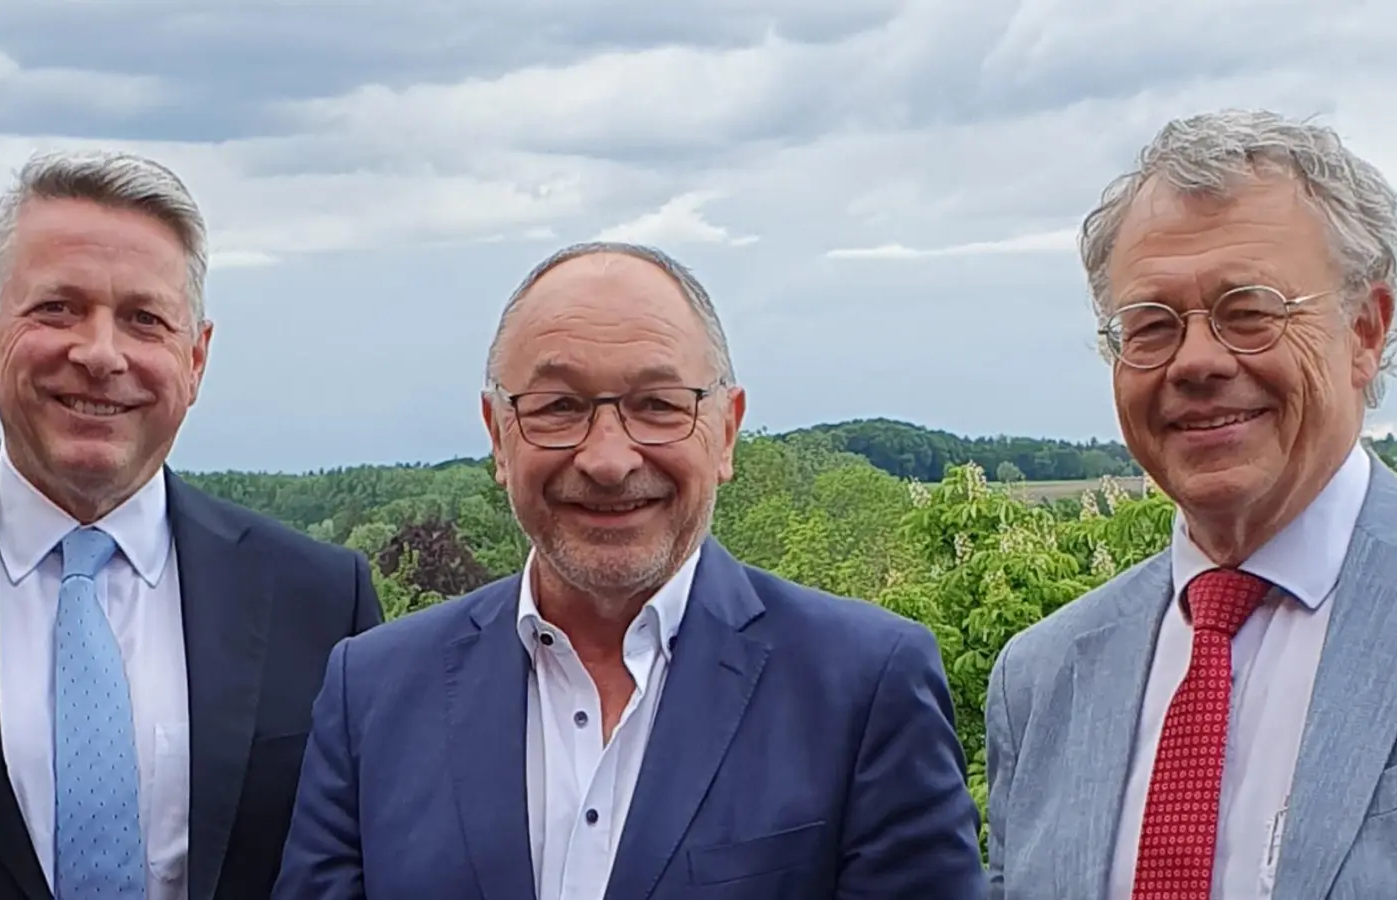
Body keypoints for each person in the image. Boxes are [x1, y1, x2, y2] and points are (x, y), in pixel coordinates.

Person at [272, 241, 986, 899]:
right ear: (497, 436)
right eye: (557, 407)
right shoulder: (371, 692)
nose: (608, 459)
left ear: (727, 431)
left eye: (657, 406)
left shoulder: (863, 687)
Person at [0, 150, 384, 900]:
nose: (98, 353)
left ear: (196, 359)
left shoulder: (318, 599)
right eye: (57, 307)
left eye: (143, 319)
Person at [984, 108, 1397, 899]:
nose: (1195, 361)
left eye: (1247, 312)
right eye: (1149, 326)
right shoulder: (1042, 676)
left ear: (1363, 330)